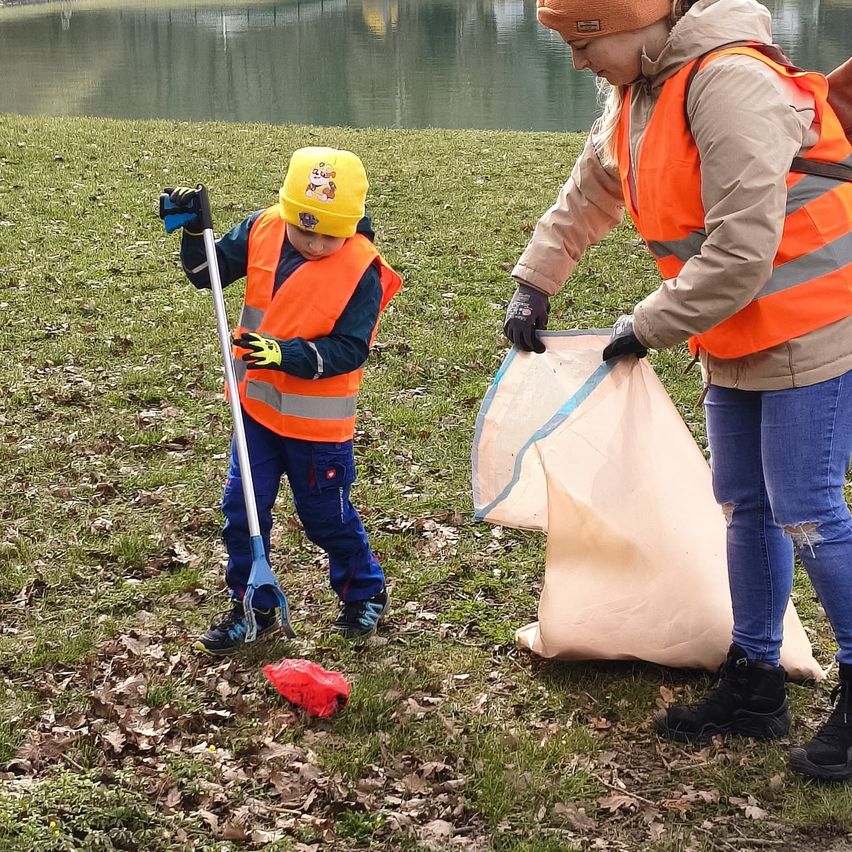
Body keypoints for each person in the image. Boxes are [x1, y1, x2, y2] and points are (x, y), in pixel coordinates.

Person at [504, 0, 852, 781]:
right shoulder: (642, 91)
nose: (578, 62)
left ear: (639, 24)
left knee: (806, 510)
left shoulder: (729, 82)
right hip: (734, 330)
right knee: (744, 504)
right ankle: (756, 682)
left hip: (816, 323)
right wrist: (536, 280)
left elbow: (742, 249)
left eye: (586, 42)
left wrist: (645, 325)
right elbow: (592, 190)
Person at [162, 147, 402, 653]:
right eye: (304, 229)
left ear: (351, 224)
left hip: (317, 428)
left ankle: (364, 591)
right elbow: (207, 273)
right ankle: (252, 604)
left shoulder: (362, 268)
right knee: (242, 510)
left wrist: (285, 354)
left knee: (325, 518)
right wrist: (193, 231)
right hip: (254, 411)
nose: (314, 244)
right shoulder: (265, 228)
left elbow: (351, 348)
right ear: (288, 210)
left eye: (329, 235)